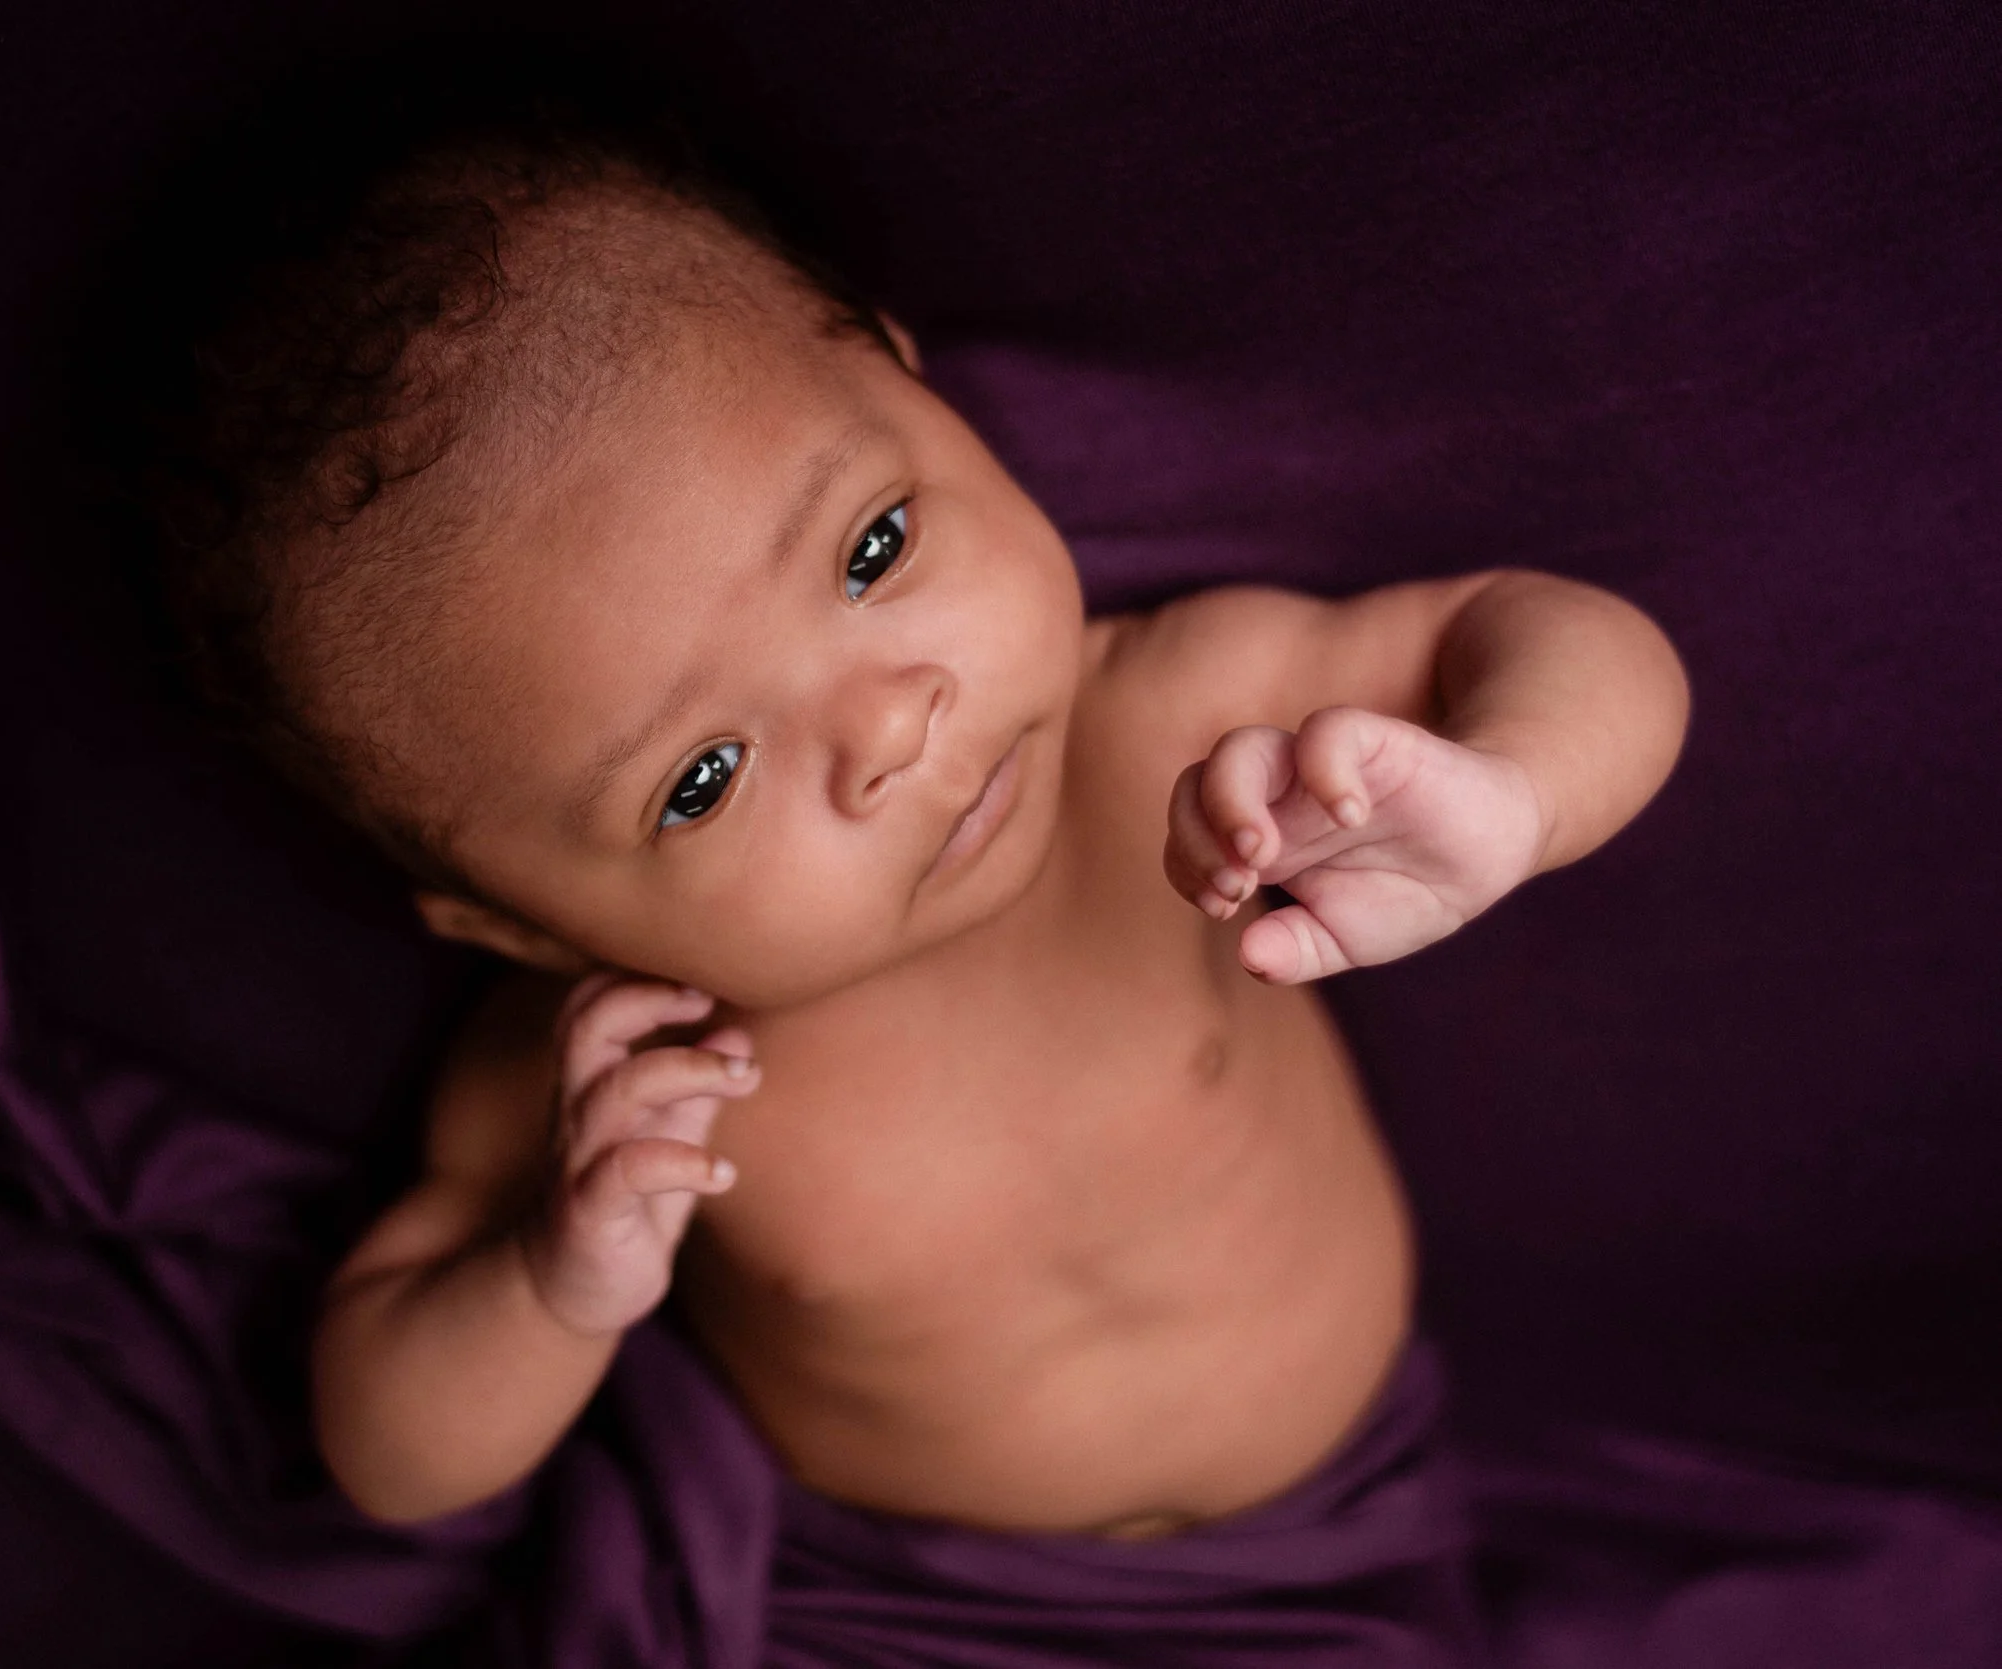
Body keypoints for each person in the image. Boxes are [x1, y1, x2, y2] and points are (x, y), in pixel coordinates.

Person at [148, 66, 1688, 1556]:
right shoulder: (631, 1084)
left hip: (1349, 1544)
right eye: (702, 780)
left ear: (903, 374)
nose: (890, 726)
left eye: (873, 548)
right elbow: (386, 1461)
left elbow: (1555, 633)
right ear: (519, 924)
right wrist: (556, 1283)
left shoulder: (1170, 726)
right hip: (910, 1611)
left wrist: (1514, 789)